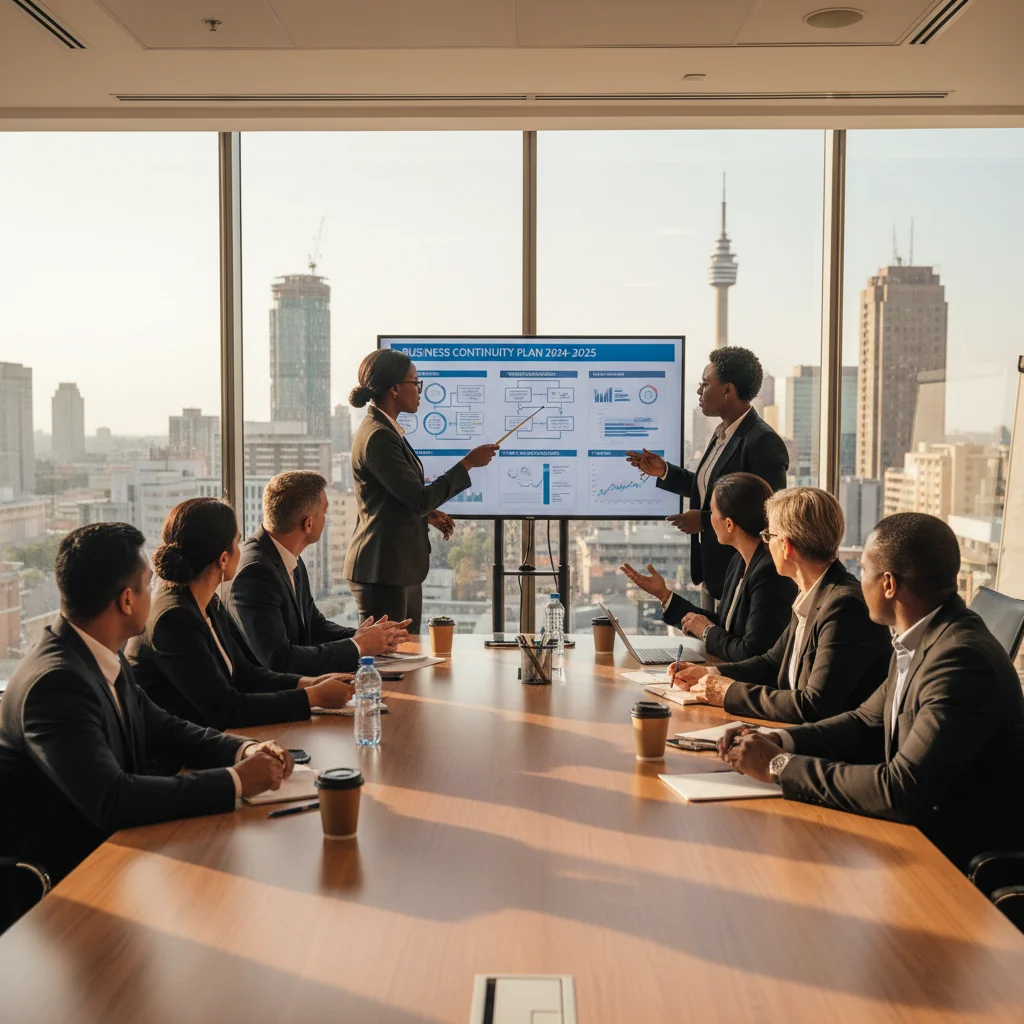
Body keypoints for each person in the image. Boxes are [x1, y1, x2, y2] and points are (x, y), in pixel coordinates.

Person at [719, 512, 1024, 871]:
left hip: (953, 861)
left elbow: (900, 790)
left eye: (863, 569)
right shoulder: (921, 636)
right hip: (916, 838)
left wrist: (778, 765)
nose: (857, 579)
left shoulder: (959, 660)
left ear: (889, 585)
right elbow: (866, 721)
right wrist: (777, 740)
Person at [0, 523, 293, 886]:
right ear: (126, 600)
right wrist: (234, 782)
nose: (155, 593)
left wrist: (244, 750)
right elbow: (112, 798)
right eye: (148, 584)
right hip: (70, 881)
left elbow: (164, 727)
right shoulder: (55, 683)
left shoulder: (97, 652)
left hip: (120, 854)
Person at [126, 498, 355, 731]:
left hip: (214, 737)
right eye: (237, 541)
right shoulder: (173, 619)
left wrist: (309, 683)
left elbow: (245, 674)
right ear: (223, 559)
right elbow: (226, 709)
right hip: (178, 760)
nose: (243, 546)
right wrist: (312, 697)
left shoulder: (206, 601)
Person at [671, 487, 891, 724]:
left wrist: (727, 692)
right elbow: (771, 663)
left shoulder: (844, 607)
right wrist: (710, 674)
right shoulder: (813, 593)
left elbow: (813, 706)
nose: (765, 544)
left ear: (786, 546)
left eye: (768, 536)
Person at [344, 349, 498, 632]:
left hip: (396, 567)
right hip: (382, 569)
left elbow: (397, 498)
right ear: (393, 389)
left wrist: (426, 515)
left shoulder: (385, 431)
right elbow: (418, 498)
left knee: (405, 655)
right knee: (390, 662)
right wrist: (468, 464)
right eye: (415, 383)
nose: (419, 390)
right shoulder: (378, 436)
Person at [625, 346, 788, 602]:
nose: (699, 391)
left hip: (741, 578)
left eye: (704, 384)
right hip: (712, 573)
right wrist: (665, 471)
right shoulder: (722, 433)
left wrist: (703, 521)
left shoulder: (762, 441)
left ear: (728, 390)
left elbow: (769, 514)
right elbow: (709, 490)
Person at [225, 471, 409, 675]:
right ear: (308, 523)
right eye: (325, 512)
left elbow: (314, 626)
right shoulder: (255, 573)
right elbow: (279, 660)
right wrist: (359, 646)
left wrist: (368, 637)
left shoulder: (286, 556)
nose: (326, 519)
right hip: (271, 698)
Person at [621, 473, 796, 662]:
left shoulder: (770, 573)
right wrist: (664, 595)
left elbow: (751, 653)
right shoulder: (740, 560)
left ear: (729, 524)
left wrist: (706, 631)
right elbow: (724, 626)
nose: (709, 519)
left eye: (712, 513)